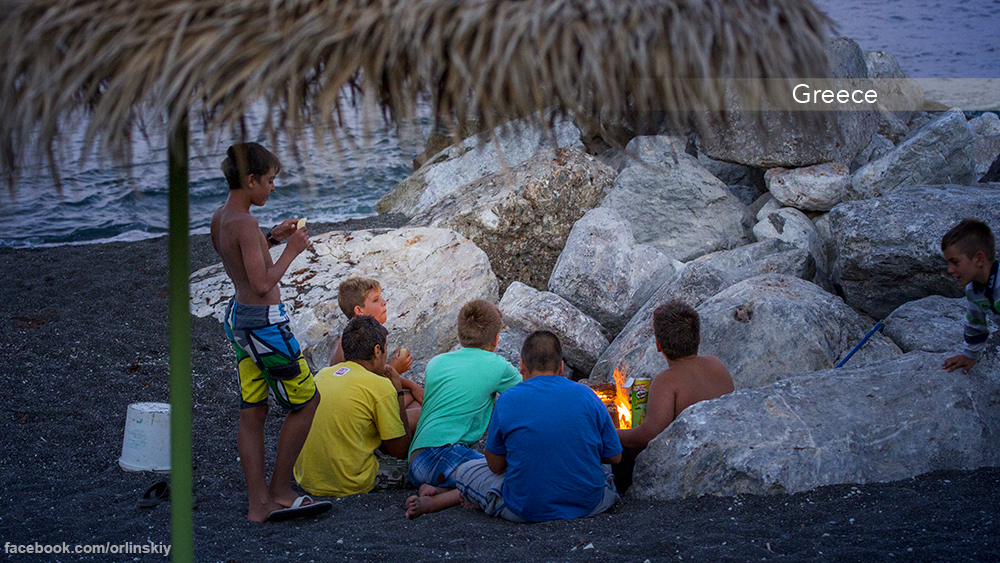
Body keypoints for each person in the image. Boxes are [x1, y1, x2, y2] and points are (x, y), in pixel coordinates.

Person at [211, 142, 330, 523]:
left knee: (254, 410)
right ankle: (279, 490)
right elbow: (262, 283)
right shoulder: (246, 223)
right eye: (270, 180)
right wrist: (292, 250)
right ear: (251, 180)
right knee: (307, 401)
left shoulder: (223, 217)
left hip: (239, 322)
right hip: (264, 325)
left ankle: (257, 504)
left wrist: (273, 238)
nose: (273, 188)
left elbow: (242, 262)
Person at [406, 331, 621, 522]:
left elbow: (495, 466)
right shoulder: (587, 395)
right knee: (601, 467)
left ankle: (454, 497)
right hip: (590, 504)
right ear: (562, 367)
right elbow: (614, 457)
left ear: (522, 367)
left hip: (524, 509)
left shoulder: (508, 400)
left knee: (467, 470)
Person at [613, 300, 734, 494]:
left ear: (658, 345)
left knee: (623, 455)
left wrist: (611, 433)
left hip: (691, 462)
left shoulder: (666, 381)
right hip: (726, 449)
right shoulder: (716, 364)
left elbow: (648, 435)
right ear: (699, 337)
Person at [405, 300, 521, 497]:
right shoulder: (497, 365)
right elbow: (529, 393)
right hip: (442, 455)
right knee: (513, 477)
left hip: (416, 461)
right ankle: (444, 498)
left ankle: (439, 490)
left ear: (460, 335)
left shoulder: (436, 363)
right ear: (496, 339)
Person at [294, 315, 414, 497]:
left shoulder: (322, 375)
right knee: (418, 467)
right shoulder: (381, 386)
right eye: (386, 349)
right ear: (377, 350)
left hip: (306, 479)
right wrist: (397, 392)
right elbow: (400, 450)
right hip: (348, 483)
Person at [329, 277, 423, 428]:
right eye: (376, 300)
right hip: (357, 419)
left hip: (363, 405)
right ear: (359, 310)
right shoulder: (353, 345)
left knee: (415, 396)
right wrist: (394, 369)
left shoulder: (356, 335)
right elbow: (368, 389)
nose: (384, 302)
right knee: (429, 411)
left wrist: (412, 385)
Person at [941, 218, 999, 374]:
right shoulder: (974, 290)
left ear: (979, 259)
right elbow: (975, 324)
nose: (950, 270)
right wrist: (970, 354)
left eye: (955, 262)